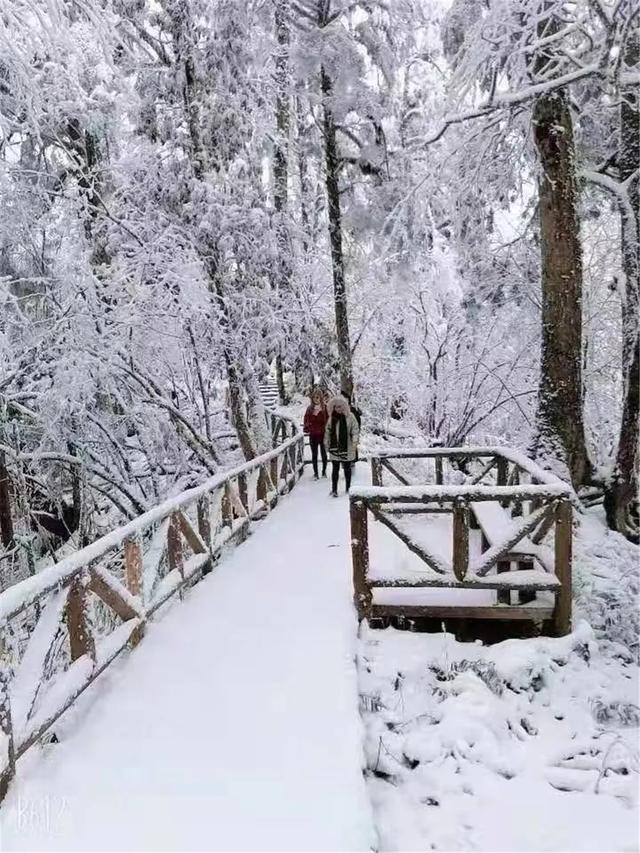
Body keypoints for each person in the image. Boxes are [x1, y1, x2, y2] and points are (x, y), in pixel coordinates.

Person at [325, 396, 359, 496]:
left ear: (344, 407)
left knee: (347, 468)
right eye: (335, 407)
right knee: (335, 468)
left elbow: (355, 429)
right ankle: (334, 489)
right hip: (334, 447)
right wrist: (326, 443)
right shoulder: (332, 418)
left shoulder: (350, 417)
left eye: (339, 407)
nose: (337, 409)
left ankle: (348, 488)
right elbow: (327, 431)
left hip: (347, 446)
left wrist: (354, 441)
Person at [303, 388, 328, 479]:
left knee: (323, 454)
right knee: (314, 454)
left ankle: (324, 472)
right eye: (314, 397)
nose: (315, 399)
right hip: (313, 435)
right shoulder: (309, 409)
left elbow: (329, 421)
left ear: (320, 397)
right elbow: (306, 419)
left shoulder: (325, 408)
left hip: (323, 434)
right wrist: (308, 427)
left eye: (317, 397)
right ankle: (316, 473)